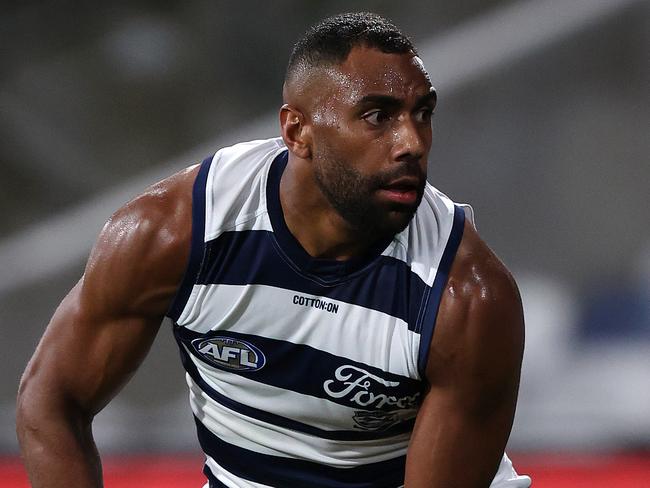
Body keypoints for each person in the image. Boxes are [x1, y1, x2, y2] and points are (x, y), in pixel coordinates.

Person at [16, 12, 531, 488]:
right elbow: (51, 401)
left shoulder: (466, 299)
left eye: (423, 113)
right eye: (378, 115)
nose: (411, 142)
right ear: (297, 131)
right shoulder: (172, 233)